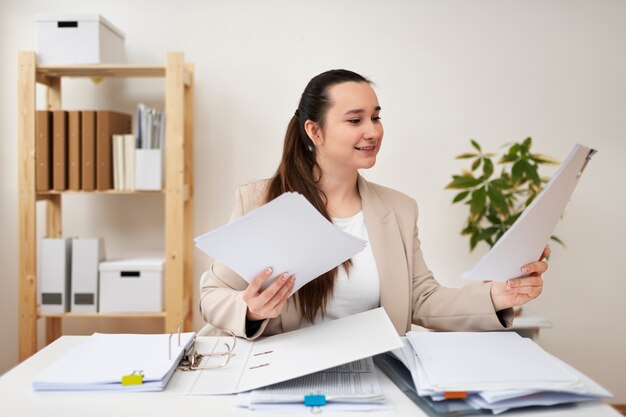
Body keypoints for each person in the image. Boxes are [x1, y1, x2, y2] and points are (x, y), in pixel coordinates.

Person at [199, 69, 548, 339]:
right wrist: (250, 310)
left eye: (376, 117)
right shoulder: (260, 202)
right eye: (355, 120)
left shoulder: (399, 209)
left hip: (373, 378)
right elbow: (213, 295)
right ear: (314, 132)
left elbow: (422, 299)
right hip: (283, 380)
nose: (373, 131)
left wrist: (500, 296)